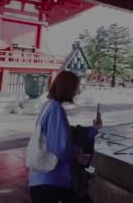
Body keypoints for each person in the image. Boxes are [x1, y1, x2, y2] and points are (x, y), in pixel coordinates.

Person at [29, 71, 102, 203]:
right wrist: (77, 152)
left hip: (45, 179)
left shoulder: (48, 106)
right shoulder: (55, 108)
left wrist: (93, 130)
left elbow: (64, 133)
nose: (77, 91)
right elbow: (60, 146)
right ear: (68, 88)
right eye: (76, 87)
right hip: (50, 180)